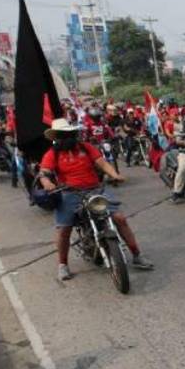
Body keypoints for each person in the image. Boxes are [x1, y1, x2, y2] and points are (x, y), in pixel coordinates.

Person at [37, 119, 153, 281]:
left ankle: (137, 255)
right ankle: (63, 265)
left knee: (119, 218)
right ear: (57, 136)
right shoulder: (52, 154)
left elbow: (102, 163)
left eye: (70, 134)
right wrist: (47, 183)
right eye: (63, 135)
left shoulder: (86, 147)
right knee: (64, 230)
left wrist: (115, 175)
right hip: (69, 193)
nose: (68, 137)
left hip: (96, 190)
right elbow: (44, 172)